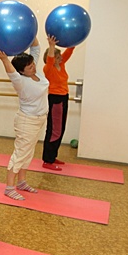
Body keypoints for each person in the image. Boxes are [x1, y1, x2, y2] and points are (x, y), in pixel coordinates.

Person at [0, 38, 49, 201]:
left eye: (33, 64)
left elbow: (36, 50)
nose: (33, 66)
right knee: (20, 153)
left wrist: (31, 35)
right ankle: (9, 187)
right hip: (27, 121)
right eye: (29, 66)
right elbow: (11, 72)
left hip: (39, 119)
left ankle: (22, 182)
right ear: (22, 71)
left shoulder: (35, 73)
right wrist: (4, 59)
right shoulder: (20, 82)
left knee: (29, 152)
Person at [41, 35, 75, 171]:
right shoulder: (48, 68)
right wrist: (51, 46)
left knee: (60, 129)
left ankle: (52, 156)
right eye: (58, 56)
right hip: (55, 99)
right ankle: (47, 161)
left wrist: (74, 39)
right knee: (55, 130)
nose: (61, 58)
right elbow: (50, 59)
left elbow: (70, 50)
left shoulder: (61, 65)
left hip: (64, 97)